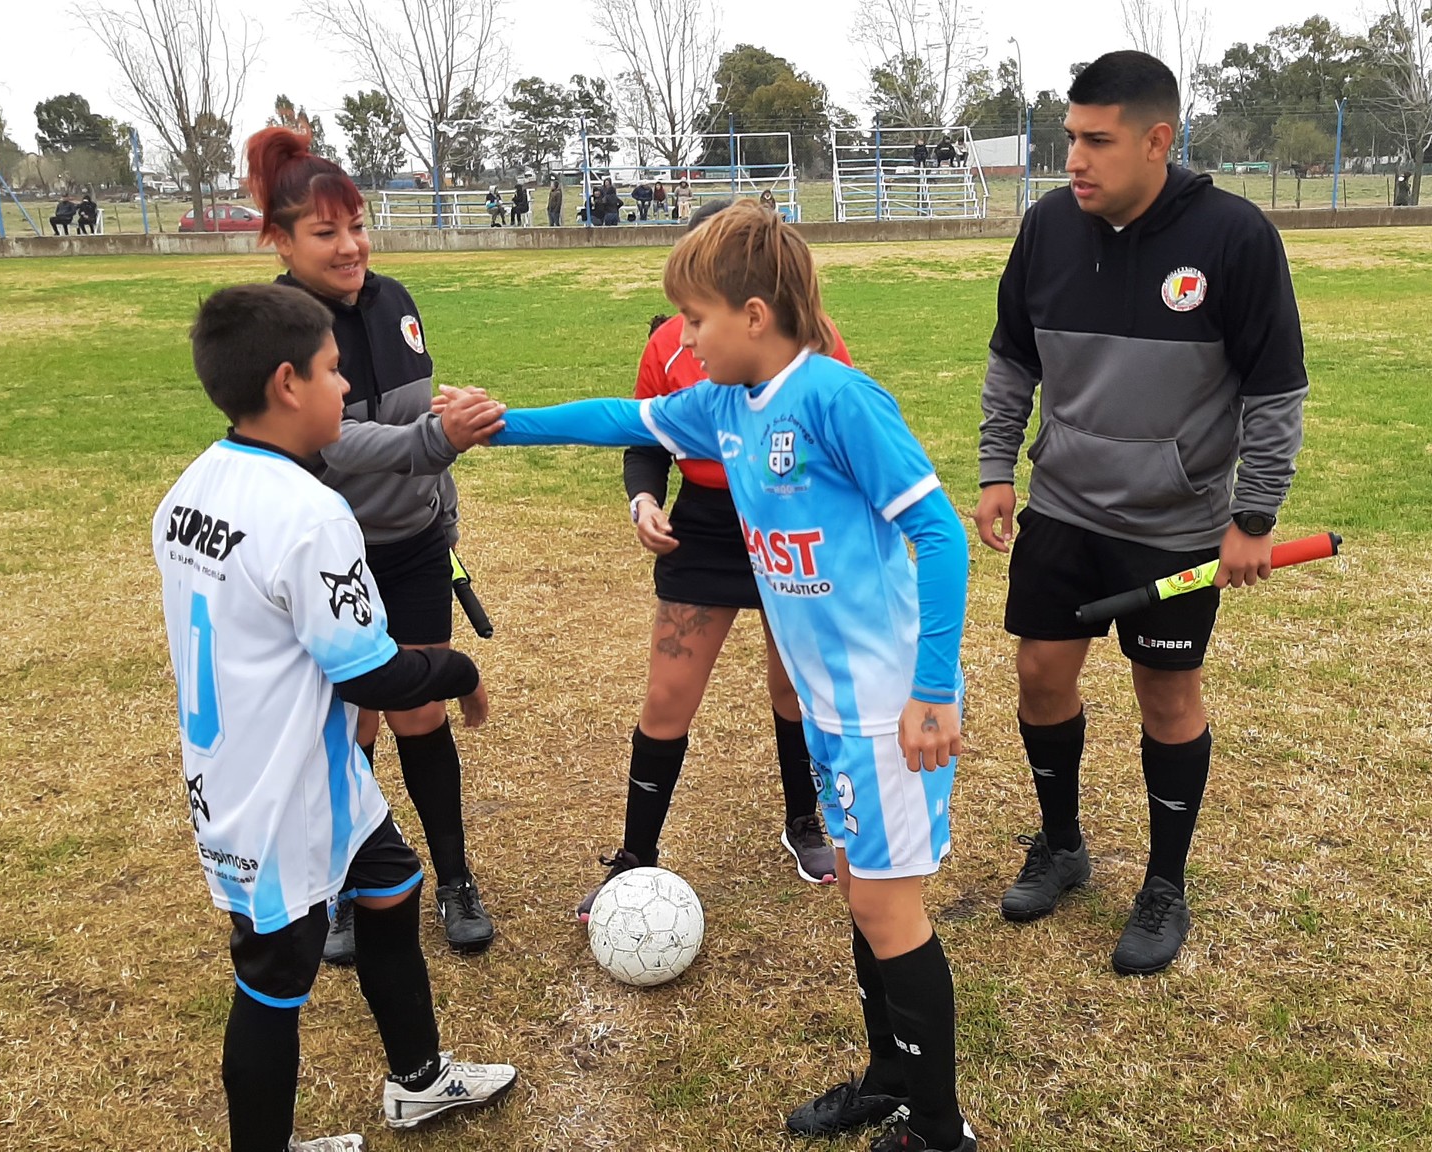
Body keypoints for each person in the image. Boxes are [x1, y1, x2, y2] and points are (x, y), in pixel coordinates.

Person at [448, 200, 977, 1152]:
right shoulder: (725, 406)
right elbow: (618, 418)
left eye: (696, 320)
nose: (683, 340)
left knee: (885, 907)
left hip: (885, 703)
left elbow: (939, 535)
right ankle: (892, 1078)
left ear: (755, 316)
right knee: (861, 892)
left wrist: (933, 689)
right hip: (830, 709)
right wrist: (498, 425)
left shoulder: (839, 399)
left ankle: (940, 1131)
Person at [155, 283, 518, 1152]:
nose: (346, 386)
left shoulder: (191, 487)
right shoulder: (311, 513)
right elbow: (375, 673)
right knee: (273, 979)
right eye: (331, 371)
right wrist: (460, 668)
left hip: (304, 771)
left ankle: (417, 1081)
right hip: (275, 790)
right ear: (287, 385)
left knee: (391, 885)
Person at [975, 51, 1309, 975]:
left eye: (1096, 141)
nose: (1073, 160)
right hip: (1063, 508)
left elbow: (1275, 392)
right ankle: (1062, 847)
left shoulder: (1235, 237)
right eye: (1068, 138)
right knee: (1040, 676)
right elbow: (1013, 358)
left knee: (1167, 696)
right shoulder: (1047, 226)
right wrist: (997, 467)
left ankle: (1164, 884)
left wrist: (1253, 517)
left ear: (1158, 141)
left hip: (1174, 526)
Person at [244, 125, 501, 961]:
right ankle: (349, 884)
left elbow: (417, 421)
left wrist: (442, 505)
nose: (351, 245)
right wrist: (438, 441)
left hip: (415, 545)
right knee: (350, 726)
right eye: (326, 232)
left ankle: (455, 878)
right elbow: (337, 443)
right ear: (282, 241)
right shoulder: (280, 326)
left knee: (420, 711)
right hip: (333, 559)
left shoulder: (396, 302)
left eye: (356, 225)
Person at [571, 199, 856, 922]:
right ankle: (636, 855)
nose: (693, 323)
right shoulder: (670, 342)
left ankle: (805, 821)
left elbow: (840, 441)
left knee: (794, 687)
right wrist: (643, 501)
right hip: (704, 528)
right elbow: (642, 436)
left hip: (788, 522)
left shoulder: (815, 341)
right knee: (668, 696)